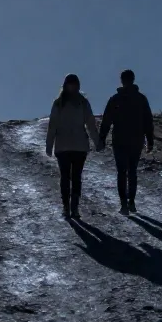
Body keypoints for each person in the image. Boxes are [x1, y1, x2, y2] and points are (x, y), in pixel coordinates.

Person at [98, 69, 154, 215]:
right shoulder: (141, 99)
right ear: (133, 79)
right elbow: (148, 121)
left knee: (122, 172)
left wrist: (101, 138)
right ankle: (131, 202)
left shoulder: (115, 99)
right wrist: (150, 140)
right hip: (136, 140)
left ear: (121, 81)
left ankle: (124, 204)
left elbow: (106, 121)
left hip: (120, 140)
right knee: (132, 171)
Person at [45, 73, 100, 219]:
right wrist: (97, 142)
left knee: (66, 177)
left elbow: (52, 126)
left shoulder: (59, 103)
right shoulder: (82, 102)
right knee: (75, 178)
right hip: (79, 146)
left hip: (63, 146)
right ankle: (73, 208)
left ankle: (67, 208)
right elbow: (90, 125)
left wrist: (49, 145)